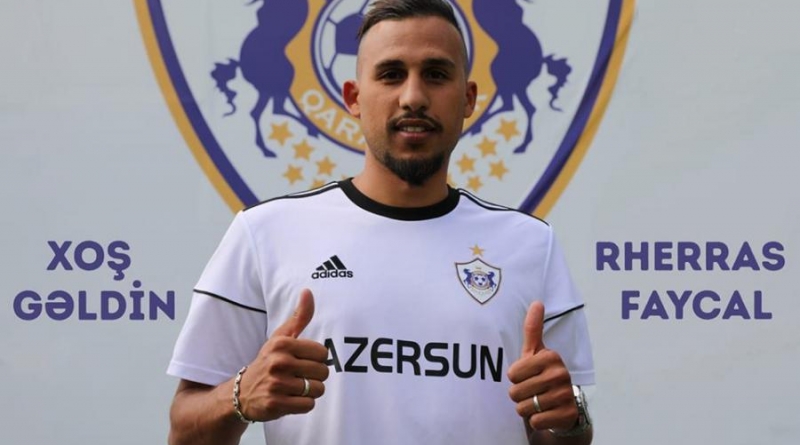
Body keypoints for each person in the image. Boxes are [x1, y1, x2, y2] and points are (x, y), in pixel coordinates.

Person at [166, 0, 595, 444]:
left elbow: (564, 431)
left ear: (468, 99)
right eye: (391, 74)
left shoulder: (531, 245)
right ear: (353, 97)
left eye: (436, 74)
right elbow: (184, 430)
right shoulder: (264, 234)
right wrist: (241, 395)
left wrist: (570, 421)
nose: (413, 97)